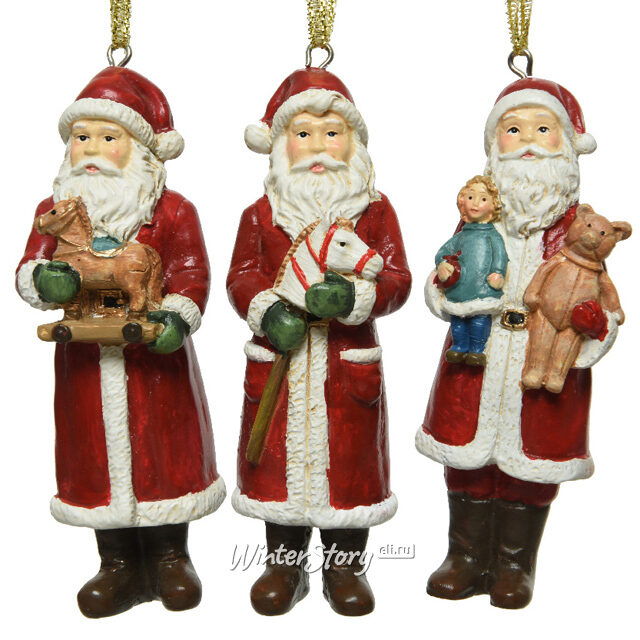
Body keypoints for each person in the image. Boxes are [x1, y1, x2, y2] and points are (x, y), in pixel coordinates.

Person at [16, 67, 225, 617]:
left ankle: (171, 556)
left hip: (156, 366)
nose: (91, 149)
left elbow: (191, 272)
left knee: (164, 455)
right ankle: (116, 563)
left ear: (139, 148)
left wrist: (177, 316)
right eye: (81, 137)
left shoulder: (172, 210)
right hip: (86, 365)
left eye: (108, 137)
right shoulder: (54, 211)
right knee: (95, 456)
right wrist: (43, 279)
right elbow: (29, 265)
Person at [417, 78, 615, 609]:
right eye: (513, 129)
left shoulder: (581, 228)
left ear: (568, 146)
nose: (527, 141)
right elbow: (449, 264)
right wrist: (443, 284)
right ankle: (463, 556)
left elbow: (606, 300)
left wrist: (593, 327)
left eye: (543, 129)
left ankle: (513, 563)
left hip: (544, 362)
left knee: (531, 464)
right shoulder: (481, 213)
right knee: (466, 456)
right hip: (476, 356)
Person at [227, 67, 411, 616]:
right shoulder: (260, 215)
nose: (317, 147)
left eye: (332, 133)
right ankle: (284, 565)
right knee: (275, 461)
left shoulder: (375, 212)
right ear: (280, 145)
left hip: (344, 362)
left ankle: (344, 566)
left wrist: (357, 297)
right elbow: (241, 276)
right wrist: (266, 309)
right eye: (302, 133)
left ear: (354, 142)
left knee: (348, 466)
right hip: (281, 359)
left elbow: (397, 277)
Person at [435, 175, 508, 366]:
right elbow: (442, 252)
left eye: (483, 199)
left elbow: (500, 256)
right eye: (470, 197)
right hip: (460, 288)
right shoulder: (461, 236)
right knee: (458, 321)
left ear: (493, 206)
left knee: (478, 320)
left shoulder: (493, 236)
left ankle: (477, 349)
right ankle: (459, 346)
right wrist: (442, 264)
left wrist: (498, 272)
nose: (475, 203)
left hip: (483, 288)